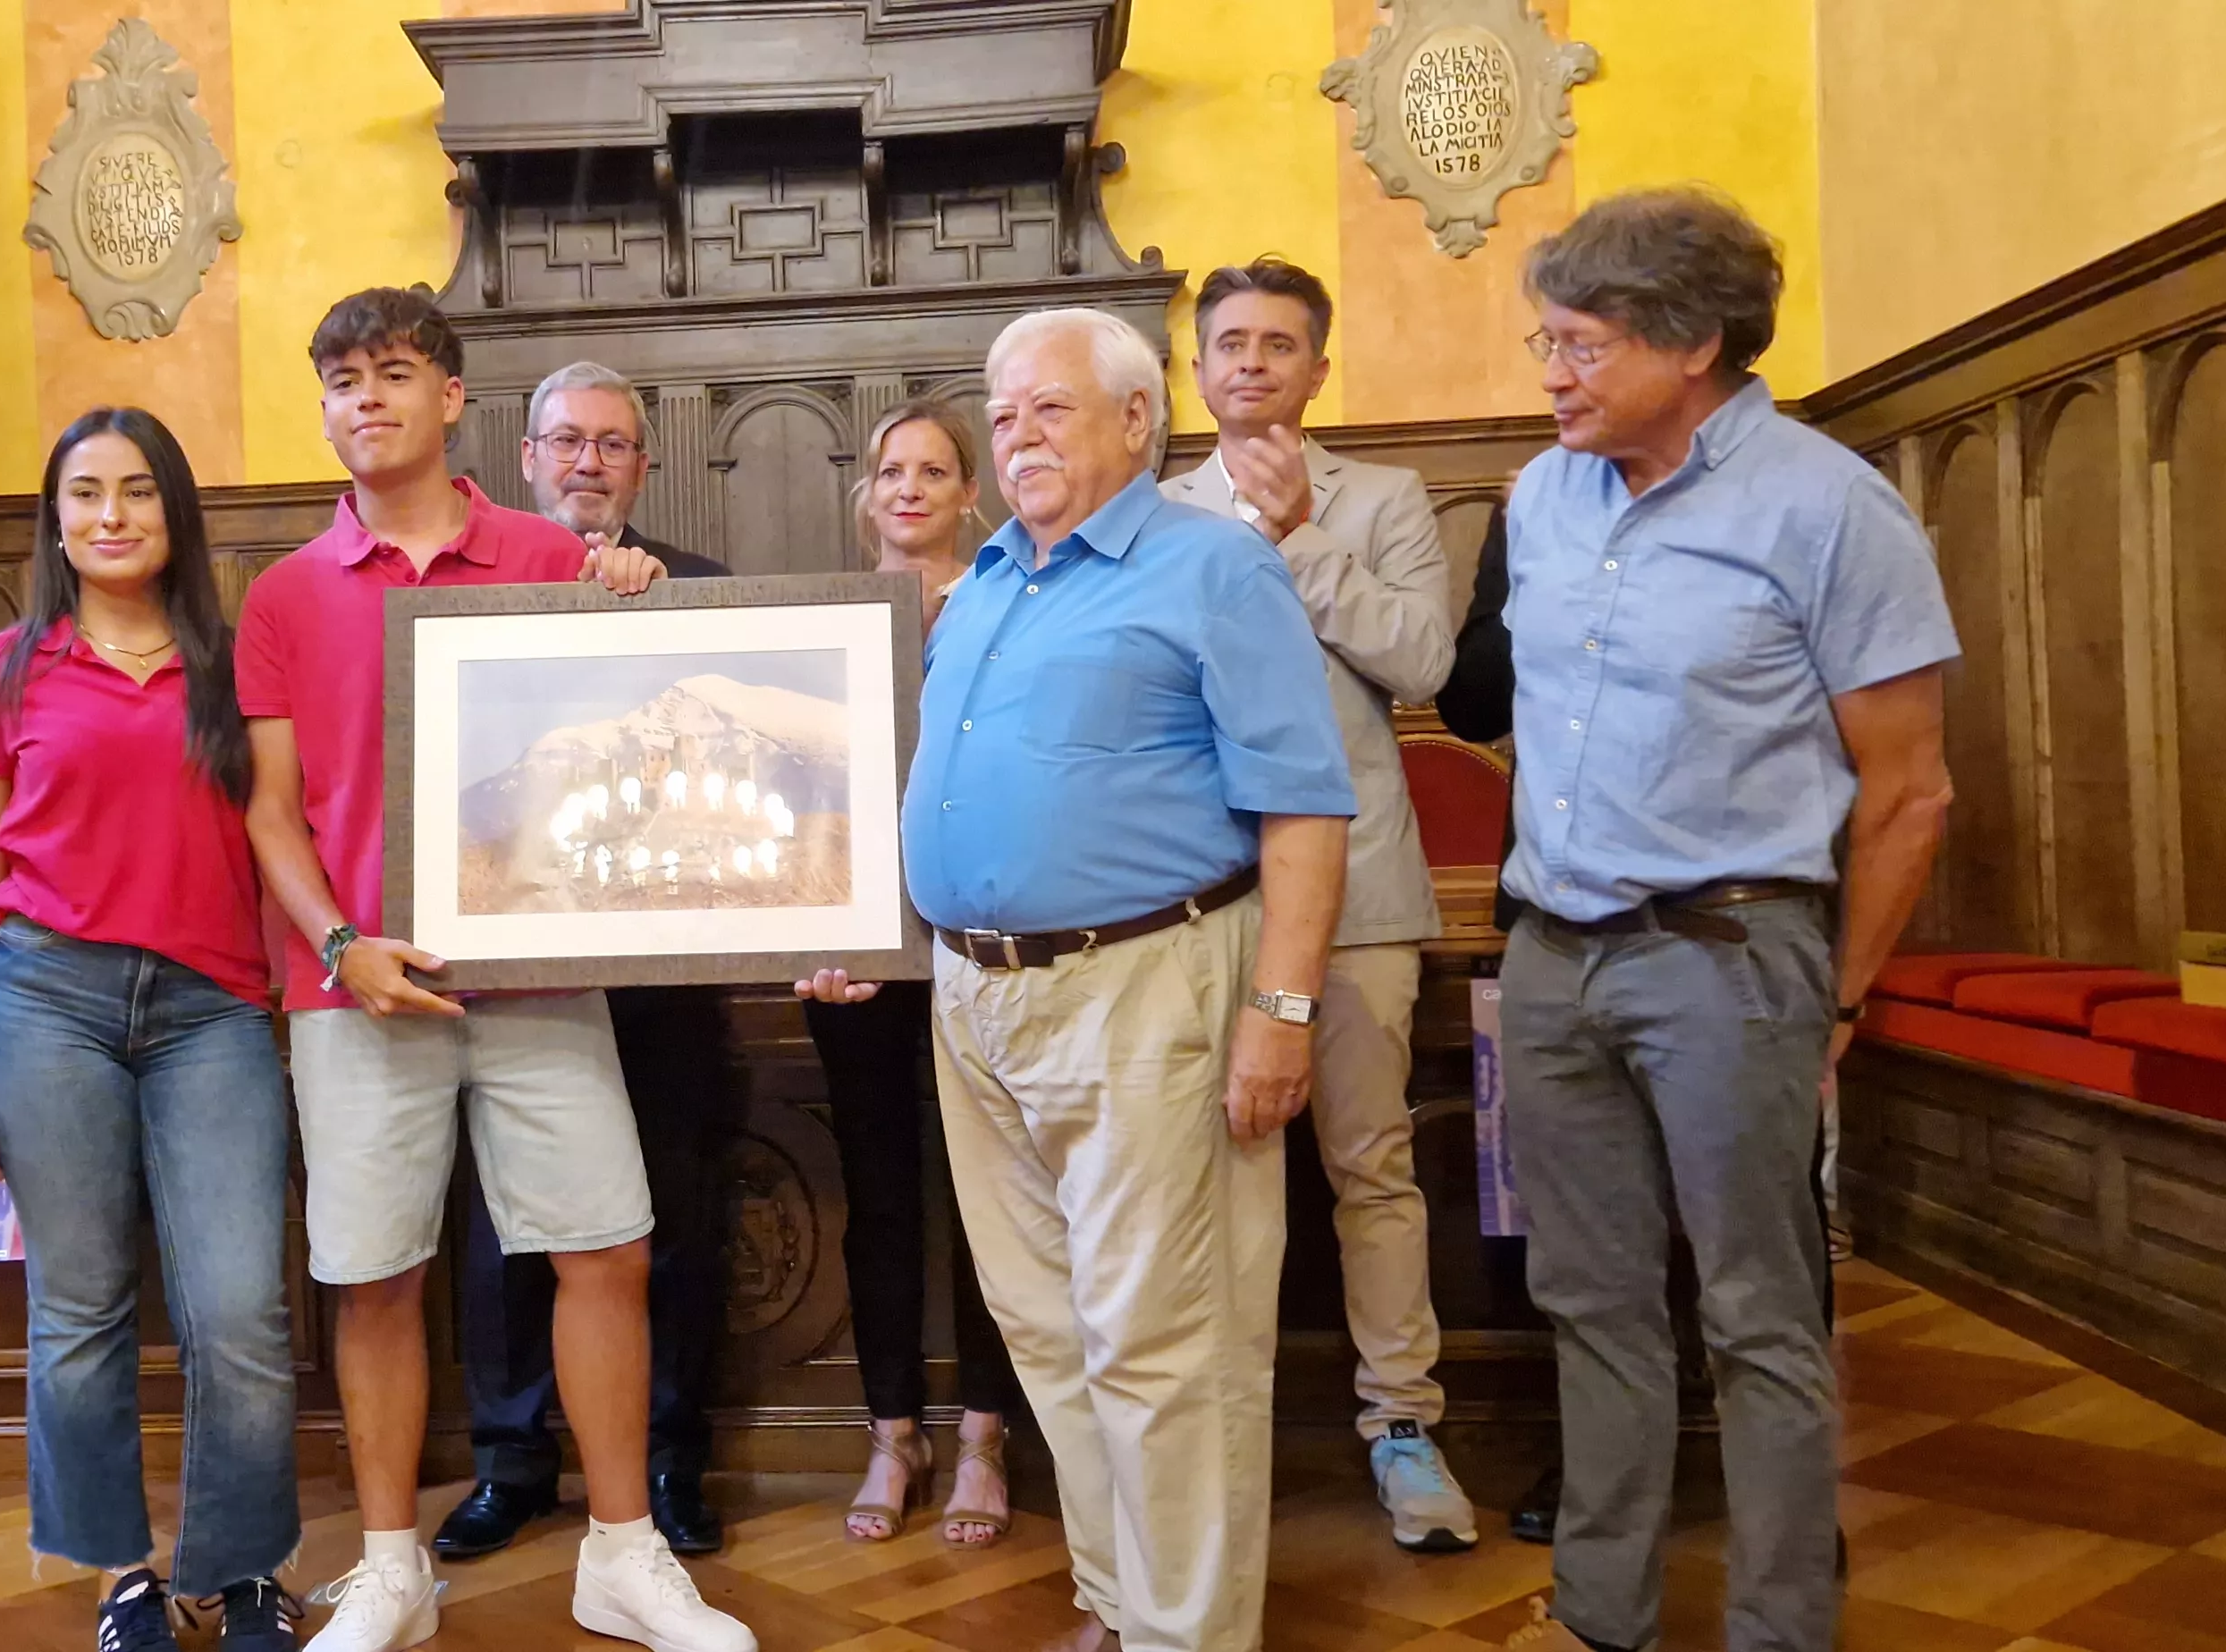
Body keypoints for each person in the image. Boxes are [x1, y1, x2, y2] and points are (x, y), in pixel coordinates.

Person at [814, 307, 1358, 1652]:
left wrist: (1281, 1013)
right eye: (1002, 416)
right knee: (1049, 1333)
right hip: (972, 1001)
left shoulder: (1216, 568)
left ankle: (1185, 1636)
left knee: (1164, 1344)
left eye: (1049, 408)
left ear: (1135, 418)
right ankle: (1120, 1606)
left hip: (1146, 988)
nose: (1018, 437)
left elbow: (1304, 809)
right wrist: (863, 936)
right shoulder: (988, 583)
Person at [239, 287, 751, 1652]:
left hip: (538, 976)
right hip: (358, 986)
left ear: (452, 397)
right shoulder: (283, 595)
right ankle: (392, 1571)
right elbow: (271, 814)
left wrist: (634, 599)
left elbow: (651, 732)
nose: (366, 399)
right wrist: (340, 943)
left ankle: (623, 1554)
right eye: (341, 380)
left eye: (393, 373)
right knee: (373, 1274)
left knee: (608, 1249)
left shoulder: (548, 553)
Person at [1491, 189, 1955, 1652]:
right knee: (1589, 1302)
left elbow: (1911, 793)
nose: (1552, 374)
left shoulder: (1831, 508)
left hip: (1730, 958)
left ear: (1694, 344)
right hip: (1549, 956)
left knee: (1759, 1314)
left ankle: (1780, 1627)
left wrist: (1839, 999)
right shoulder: (1539, 497)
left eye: (1582, 344)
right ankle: (1599, 1617)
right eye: (1547, 341)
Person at [0, 409, 299, 1651]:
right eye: (85, 493)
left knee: (239, 1310)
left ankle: (240, 1568)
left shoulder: (234, 667)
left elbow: (279, 832)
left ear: (174, 512)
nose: (111, 515)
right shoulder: (2, 669)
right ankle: (119, 1575)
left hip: (212, 1011)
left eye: (138, 491)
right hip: (45, 1005)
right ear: (54, 519)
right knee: (78, 1312)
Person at [1157, 257, 1477, 1552]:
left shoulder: (1382, 500)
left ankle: (1402, 1423)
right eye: (1229, 343)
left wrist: (1299, 538)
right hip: (1192, 897)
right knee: (1195, 1183)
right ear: (1197, 371)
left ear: (1317, 369)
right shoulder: (1155, 513)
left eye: (1276, 344)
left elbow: (1425, 662)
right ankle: (1205, 1439)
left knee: (1371, 1167)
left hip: (1359, 897)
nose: (1250, 362)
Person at [439, 360, 741, 1562]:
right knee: (508, 1225)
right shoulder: (468, 602)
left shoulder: (706, 596)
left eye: (613, 444)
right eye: (566, 441)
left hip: (666, 978)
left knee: (672, 1219)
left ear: (643, 467)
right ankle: (511, 1462)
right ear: (526, 459)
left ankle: (669, 1459)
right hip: (513, 971)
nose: (588, 463)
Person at [796, 397, 1023, 1550]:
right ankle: (893, 1431)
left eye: (934, 470)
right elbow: (801, 799)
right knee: (880, 1199)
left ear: (968, 493)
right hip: (857, 963)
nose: (910, 488)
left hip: (984, 949)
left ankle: (984, 1434)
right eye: (892, 470)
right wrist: (806, 933)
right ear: (867, 491)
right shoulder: (825, 623)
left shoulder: (1007, 607)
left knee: (992, 1200)